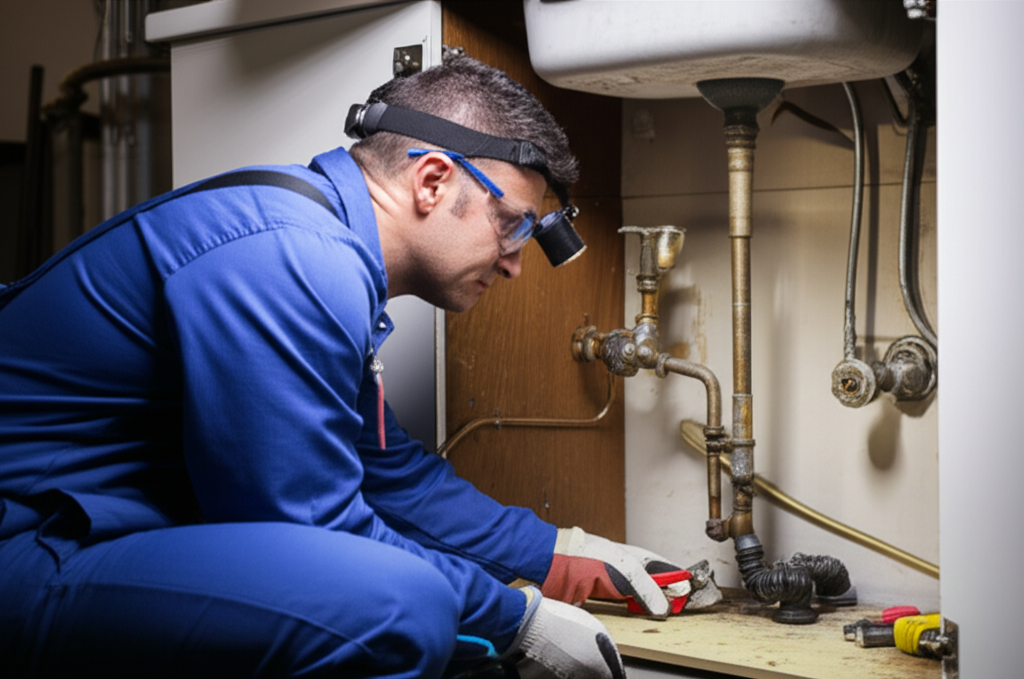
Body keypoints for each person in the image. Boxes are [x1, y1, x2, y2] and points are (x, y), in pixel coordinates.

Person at [0, 53, 683, 678]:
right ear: (434, 179)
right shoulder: (295, 256)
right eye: (512, 225)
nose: (512, 262)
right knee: (398, 603)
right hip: (26, 548)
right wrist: (517, 619)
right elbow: (309, 525)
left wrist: (562, 554)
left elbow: (391, 475)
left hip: (84, 534)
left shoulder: (319, 243)